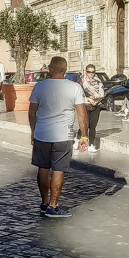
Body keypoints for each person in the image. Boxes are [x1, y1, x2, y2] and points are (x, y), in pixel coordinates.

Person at [28, 56, 89, 218]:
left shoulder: (39, 87)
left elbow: (32, 111)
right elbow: (82, 116)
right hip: (63, 135)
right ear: (65, 70)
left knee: (43, 168)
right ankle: (54, 206)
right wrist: (84, 137)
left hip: (42, 133)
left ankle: (44, 202)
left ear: (51, 69)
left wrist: (33, 131)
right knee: (58, 169)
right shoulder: (75, 87)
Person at [78, 64, 104, 151]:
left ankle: (91, 144)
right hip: (85, 104)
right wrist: (88, 98)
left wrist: (96, 97)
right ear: (86, 71)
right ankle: (78, 139)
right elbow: (78, 94)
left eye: (93, 72)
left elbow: (102, 93)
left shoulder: (98, 81)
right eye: (89, 72)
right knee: (85, 124)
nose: (91, 74)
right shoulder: (81, 81)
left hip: (96, 104)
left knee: (93, 125)